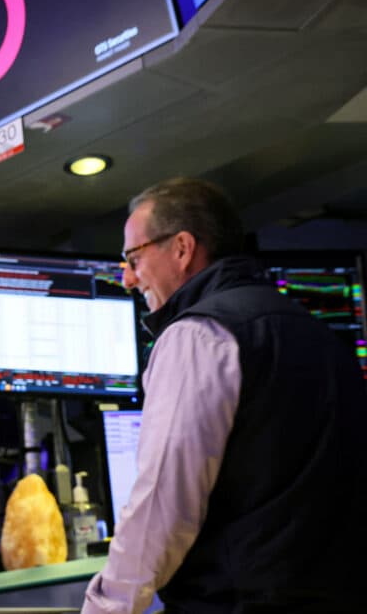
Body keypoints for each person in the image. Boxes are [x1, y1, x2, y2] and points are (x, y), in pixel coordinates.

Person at [82, 177, 367, 614]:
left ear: (181, 247)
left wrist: (108, 606)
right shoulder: (320, 335)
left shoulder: (197, 336)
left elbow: (162, 504)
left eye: (134, 258)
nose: (127, 278)